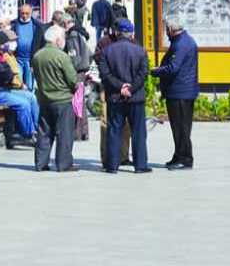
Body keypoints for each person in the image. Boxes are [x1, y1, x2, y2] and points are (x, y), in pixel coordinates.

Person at [97, 19, 151, 174]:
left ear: (118, 32)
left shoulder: (107, 51)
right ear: (131, 33)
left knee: (114, 130)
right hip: (136, 97)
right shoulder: (140, 50)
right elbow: (143, 73)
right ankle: (140, 165)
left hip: (115, 97)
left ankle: (112, 165)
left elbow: (105, 75)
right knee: (138, 131)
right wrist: (131, 88)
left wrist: (120, 87)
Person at [150, 19, 198, 171]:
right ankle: (178, 155)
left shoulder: (182, 44)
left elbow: (173, 68)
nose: (166, 33)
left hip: (180, 93)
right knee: (178, 127)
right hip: (179, 91)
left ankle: (185, 159)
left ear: (171, 29)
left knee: (182, 127)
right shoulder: (181, 41)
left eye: (167, 30)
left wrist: (156, 71)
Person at [32, 26, 80, 172]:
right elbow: (72, 79)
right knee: (64, 133)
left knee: (44, 132)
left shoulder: (37, 56)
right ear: (58, 39)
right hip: (63, 99)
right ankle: (63, 163)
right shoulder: (61, 56)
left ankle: (41, 163)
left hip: (45, 99)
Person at [0, 30, 40, 139]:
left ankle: (38, 129)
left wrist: (10, 75)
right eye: (5, 44)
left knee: (31, 97)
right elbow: (6, 74)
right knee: (23, 104)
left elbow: (8, 73)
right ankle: (30, 134)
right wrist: (10, 75)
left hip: (0, 89)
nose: (7, 46)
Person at [63, 15, 92, 141]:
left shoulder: (72, 36)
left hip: (77, 72)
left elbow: (73, 57)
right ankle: (83, 132)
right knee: (80, 101)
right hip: (83, 69)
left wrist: (70, 71)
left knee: (77, 102)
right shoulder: (79, 34)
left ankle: (78, 132)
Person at [11, 4, 45, 90]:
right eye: (22, 13)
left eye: (27, 13)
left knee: (30, 85)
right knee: (17, 83)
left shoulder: (37, 25)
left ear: (31, 13)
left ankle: (30, 101)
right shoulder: (14, 24)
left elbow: (42, 43)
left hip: (30, 61)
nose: (24, 15)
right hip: (17, 59)